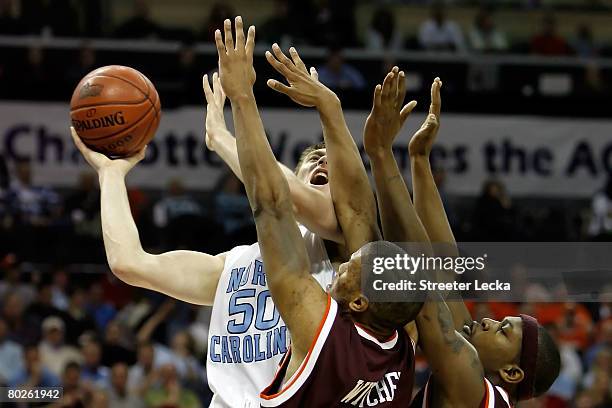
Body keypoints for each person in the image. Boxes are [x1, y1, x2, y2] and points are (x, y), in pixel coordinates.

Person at [71, 26, 343, 408]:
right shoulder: (231, 266)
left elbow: (279, 196)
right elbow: (129, 263)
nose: (321, 160)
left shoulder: (348, 250)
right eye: (311, 160)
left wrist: (224, 137)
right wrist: (111, 175)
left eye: (332, 166)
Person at [215, 18, 422, 406]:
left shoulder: (320, 326)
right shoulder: (401, 344)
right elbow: (358, 213)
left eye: (349, 269)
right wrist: (331, 109)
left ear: (360, 302)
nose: (342, 266)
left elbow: (272, 205)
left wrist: (241, 99)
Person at [358, 69, 561, 406]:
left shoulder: (473, 388)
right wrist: (419, 160)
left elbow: (419, 279)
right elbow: (443, 267)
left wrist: (380, 155)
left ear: (512, 372)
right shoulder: (479, 375)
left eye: (502, 331)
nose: (487, 321)